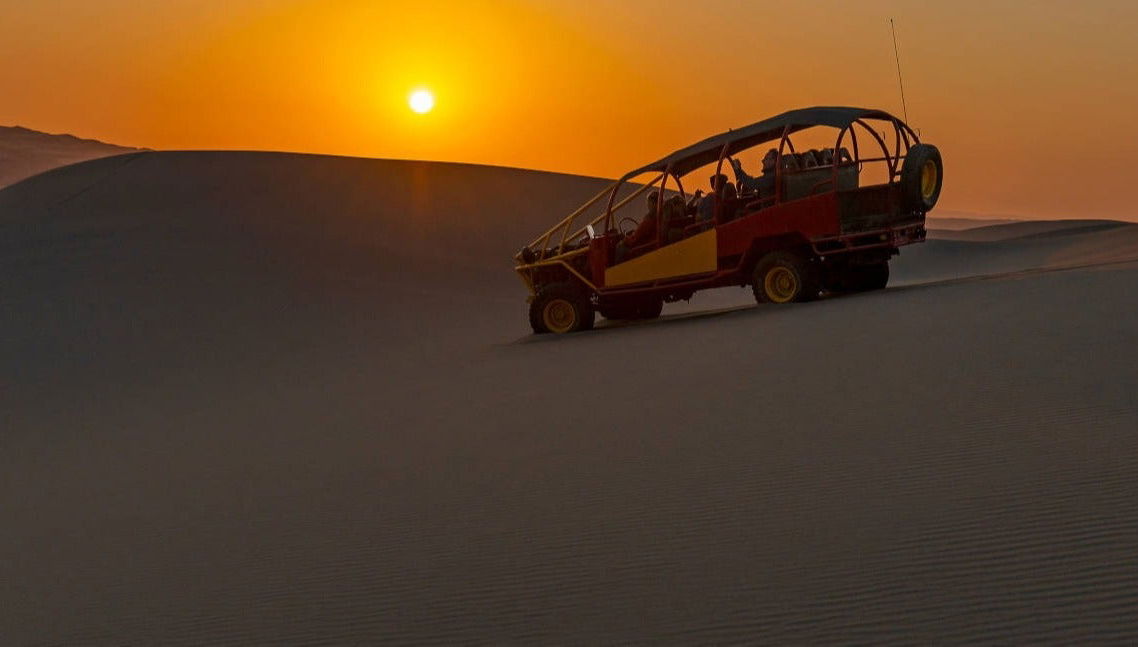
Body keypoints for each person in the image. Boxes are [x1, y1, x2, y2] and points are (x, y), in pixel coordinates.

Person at [614, 190, 660, 262]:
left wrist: (624, 240)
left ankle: (617, 271)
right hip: (651, 244)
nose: (648, 207)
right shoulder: (660, 216)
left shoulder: (650, 219)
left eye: (649, 204)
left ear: (654, 203)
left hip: (644, 249)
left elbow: (634, 239)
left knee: (619, 247)